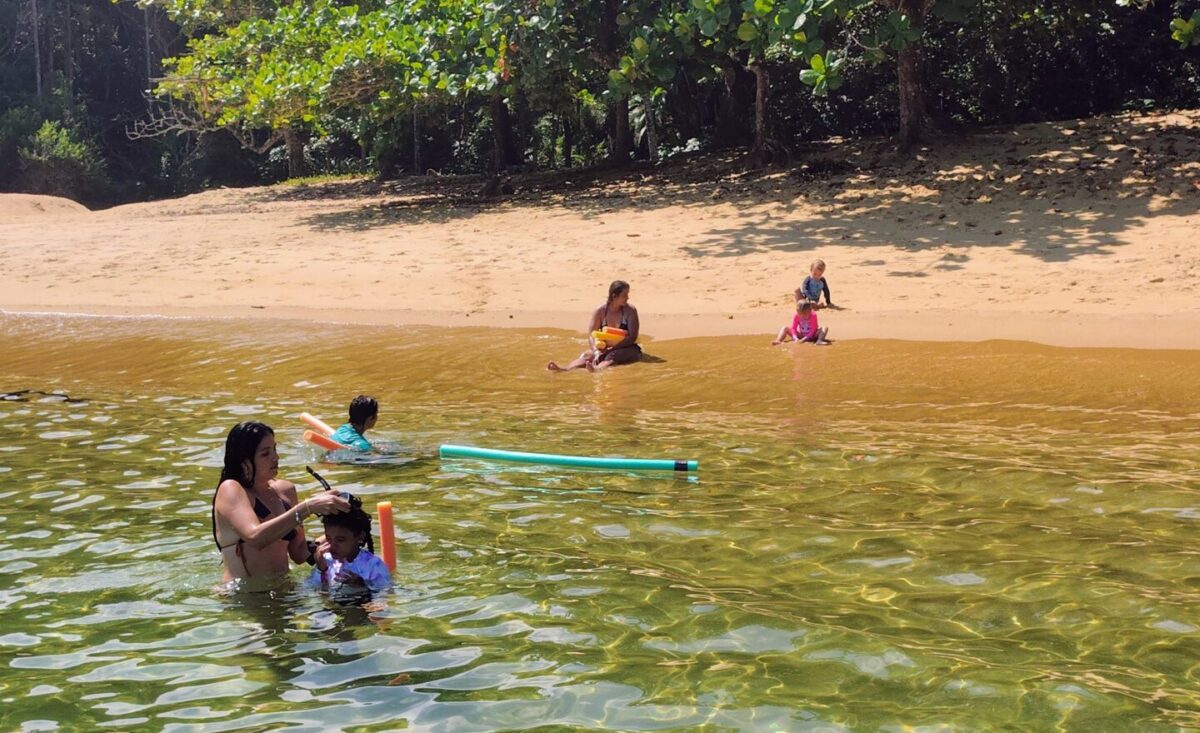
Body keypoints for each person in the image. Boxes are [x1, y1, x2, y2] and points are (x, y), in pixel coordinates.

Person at [211, 421, 350, 582]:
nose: (275, 457)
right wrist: (308, 507)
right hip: (244, 598)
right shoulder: (231, 489)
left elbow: (299, 553)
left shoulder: (285, 491)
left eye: (274, 450)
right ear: (245, 462)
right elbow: (256, 537)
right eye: (265, 453)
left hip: (285, 591)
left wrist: (337, 534)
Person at [307, 492, 392, 596]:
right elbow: (312, 589)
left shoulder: (373, 565)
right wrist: (321, 570)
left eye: (340, 539)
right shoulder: (326, 561)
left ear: (360, 537)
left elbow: (386, 592)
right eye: (328, 538)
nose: (332, 545)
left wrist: (362, 586)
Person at [548, 280, 642, 372]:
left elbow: (632, 337)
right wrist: (596, 351)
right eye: (624, 295)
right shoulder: (600, 311)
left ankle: (597, 369)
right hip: (604, 347)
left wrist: (611, 349)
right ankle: (565, 369)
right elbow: (592, 335)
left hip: (627, 348)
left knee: (612, 356)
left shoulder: (630, 311)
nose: (627, 298)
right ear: (614, 296)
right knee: (588, 356)